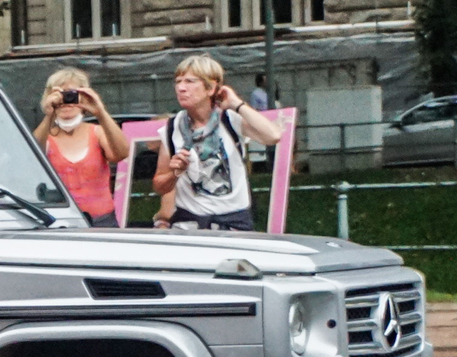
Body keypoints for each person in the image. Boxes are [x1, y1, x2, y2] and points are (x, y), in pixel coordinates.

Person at [152, 54, 282, 231]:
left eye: (190, 81)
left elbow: (273, 136)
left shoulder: (230, 119)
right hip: (190, 225)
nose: (181, 88)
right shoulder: (171, 128)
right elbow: (159, 185)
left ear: (211, 87)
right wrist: (175, 173)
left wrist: (236, 103)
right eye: (178, 81)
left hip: (234, 223)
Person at [34, 68, 129, 227]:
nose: (66, 101)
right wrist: (49, 114)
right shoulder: (45, 136)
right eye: (60, 95)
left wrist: (100, 112)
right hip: (59, 221)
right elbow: (32, 157)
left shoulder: (97, 132)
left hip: (102, 221)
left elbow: (121, 153)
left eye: (72, 94)